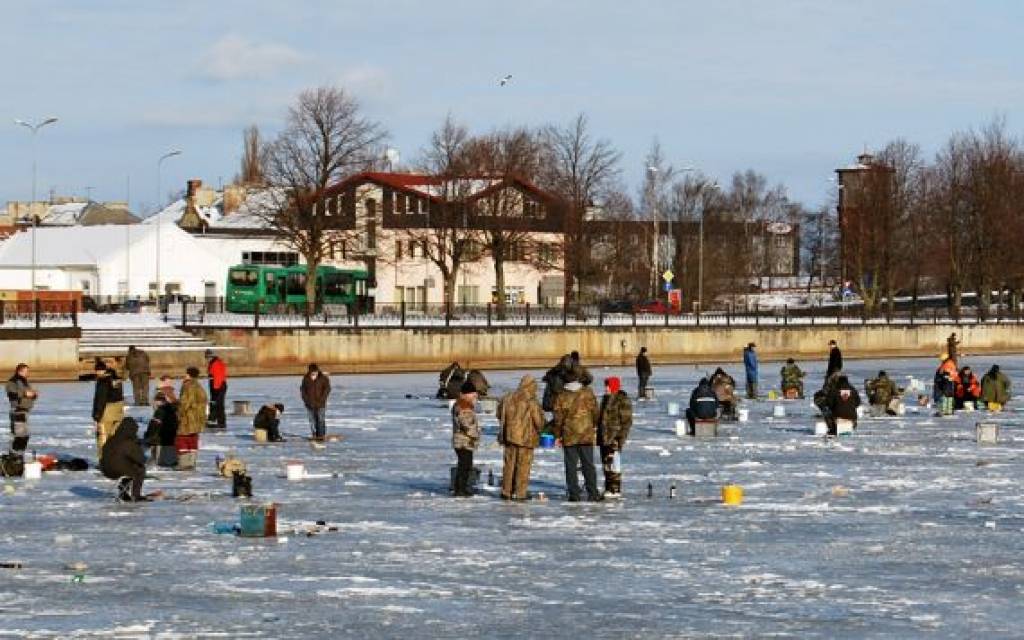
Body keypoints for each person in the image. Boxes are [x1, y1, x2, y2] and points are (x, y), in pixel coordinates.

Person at [551, 380, 601, 502]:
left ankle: (574, 494)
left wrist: (557, 435)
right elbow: (596, 412)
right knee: (588, 464)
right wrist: (593, 425)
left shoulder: (561, 395)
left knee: (571, 465)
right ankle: (593, 493)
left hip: (569, 435)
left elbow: (558, 418)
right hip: (586, 434)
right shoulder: (588, 392)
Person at [496, 375, 545, 500]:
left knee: (509, 465)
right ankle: (520, 493)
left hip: (508, 436)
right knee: (523, 466)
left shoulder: (507, 397)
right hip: (526, 438)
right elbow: (538, 421)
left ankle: (506, 491)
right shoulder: (531, 401)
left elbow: (499, 413)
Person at [597, 377, 632, 497]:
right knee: (606, 463)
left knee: (614, 464)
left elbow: (626, 421)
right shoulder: (605, 399)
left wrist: (620, 438)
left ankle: (615, 488)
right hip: (604, 437)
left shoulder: (622, 400)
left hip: (615, 437)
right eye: (605, 386)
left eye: (608, 386)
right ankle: (608, 487)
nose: (606, 388)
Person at [100, 417, 148, 502]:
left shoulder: (111, 439)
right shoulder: (128, 442)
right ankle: (136, 495)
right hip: (117, 470)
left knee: (128, 466)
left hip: (105, 470)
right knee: (140, 469)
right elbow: (141, 459)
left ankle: (123, 491)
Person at [451, 381, 481, 497]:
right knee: (464, 466)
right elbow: (466, 424)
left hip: (464, 441)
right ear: (466, 394)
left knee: (464, 465)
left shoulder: (462, 404)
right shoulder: (463, 405)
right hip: (463, 441)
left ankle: (461, 488)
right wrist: (475, 434)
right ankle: (460, 490)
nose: (475, 397)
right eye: (472, 394)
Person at [92, 361, 125, 460]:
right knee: (115, 436)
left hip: (106, 411)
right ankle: (116, 458)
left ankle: (104, 459)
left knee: (102, 436)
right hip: (118, 410)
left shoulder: (103, 381)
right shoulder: (116, 380)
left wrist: (96, 416)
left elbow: (101, 399)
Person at [176, 366, 208, 469]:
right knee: (193, 438)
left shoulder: (188, 385)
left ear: (189, 374)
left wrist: (179, 413)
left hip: (188, 417)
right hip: (198, 417)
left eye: (186, 373)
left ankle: (185, 463)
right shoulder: (198, 385)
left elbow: (185, 402)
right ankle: (192, 462)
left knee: (182, 438)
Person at [5, 363, 36, 457]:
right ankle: (14, 457)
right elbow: (12, 394)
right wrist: (25, 393)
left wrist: (34, 395)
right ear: (20, 371)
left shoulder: (24, 381)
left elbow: (29, 394)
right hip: (18, 411)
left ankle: (18, 456)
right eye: (26, 371)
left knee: (24, 436)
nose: (28, 373)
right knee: (20, 437)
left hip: (24, 411)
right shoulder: (13, 381)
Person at [144, 390, 178, 467]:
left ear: (158, 401)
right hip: (171, 438)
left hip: (161, 438)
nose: (153, 404)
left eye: (154, 402)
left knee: (151, 440)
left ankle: (156, 461)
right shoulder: (171, 409)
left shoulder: (159, 411)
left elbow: (153, 427)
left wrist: (147, 436)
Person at [300, 363, 331, 441]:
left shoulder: (323, 378)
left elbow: (327, 389)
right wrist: (306, 400)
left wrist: (322, 399)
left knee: (320, 420)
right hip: (309, 404)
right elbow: (303, 390)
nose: (314, 373)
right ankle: (314, 435)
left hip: (321, 404)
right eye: (312, 372)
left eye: (315, 371)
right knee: (312, 421)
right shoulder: (306, 378)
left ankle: (321, 435)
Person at [205, 350, 228, 430]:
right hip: (215, 386)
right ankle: (212, 420)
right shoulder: (212, 363)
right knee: (213, 403)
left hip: (219, 386)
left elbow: (218, 377)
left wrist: (216, 389)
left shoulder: (216, 363)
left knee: (219, 405)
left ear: (211, 356)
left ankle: (221, 423)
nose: (207, 359)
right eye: (206, 357)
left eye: (208, 357)